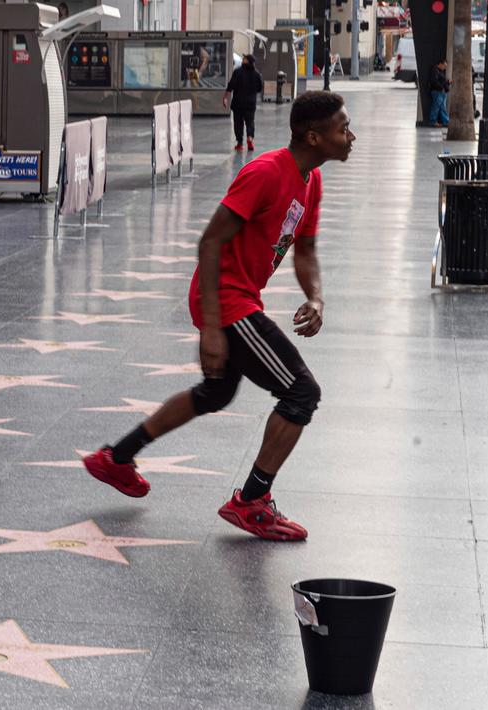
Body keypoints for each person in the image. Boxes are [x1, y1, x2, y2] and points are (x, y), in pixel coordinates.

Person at [81, 91, 356, 542]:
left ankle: (117, 458)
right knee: (301, 392)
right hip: (226, 299)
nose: (351, 136)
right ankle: (252, 501)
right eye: (343, 129)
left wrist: (317, 299)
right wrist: (212, 327)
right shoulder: (265, 173)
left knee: (216, 392)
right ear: (313, 136)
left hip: (240, 297)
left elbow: (305, 249)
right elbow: (210, 241)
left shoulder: (312, 180)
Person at [224, 55, 264, 151]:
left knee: (238, 123)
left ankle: (240, 143)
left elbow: (231, 85)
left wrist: (225, 97)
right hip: (250, 103)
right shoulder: (256, 74)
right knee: (250, 121)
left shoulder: (238, 72)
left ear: (248, 61)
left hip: (238, 103)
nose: (242, 60)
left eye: (244, 59)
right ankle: (250, 137)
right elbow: (259, 88)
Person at [429, 59, 451, 127]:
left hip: (441, 91)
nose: (445, 67)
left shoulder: (440, 71)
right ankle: (433, 121)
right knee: (436, 107)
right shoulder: (435, 70)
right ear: (440, 64)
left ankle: (446, 121)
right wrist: (442, 87)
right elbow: (434, 81)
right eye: (444, 66)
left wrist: (447, 83)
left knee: (442, 107)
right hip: (437, 91)